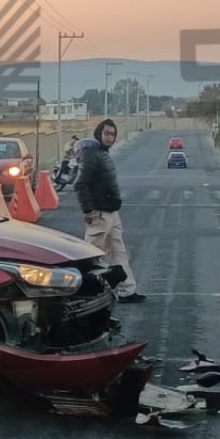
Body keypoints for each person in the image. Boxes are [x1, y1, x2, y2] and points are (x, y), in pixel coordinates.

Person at [75, 118, 143, 303]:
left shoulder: (102, 153)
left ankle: (126, 291)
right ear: (98, 134)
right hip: (98, 214)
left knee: (118, 253)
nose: (110, 138)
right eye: (106, 133)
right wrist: (88, 211)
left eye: (113, 135)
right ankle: (82, 292)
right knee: (91, 254)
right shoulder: (91, 153)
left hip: (111, 213)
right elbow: (80, 184)